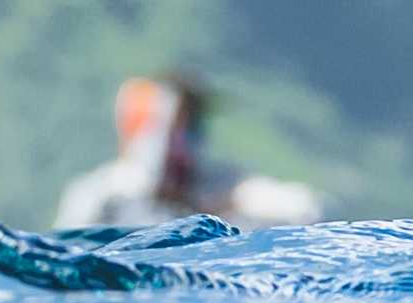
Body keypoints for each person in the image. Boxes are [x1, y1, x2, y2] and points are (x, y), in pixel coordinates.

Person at [52, 70, 325, 228]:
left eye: (193, 124)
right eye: (173, 129)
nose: (187, 142)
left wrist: (220, 207)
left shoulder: (221, 186)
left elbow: (310, 209)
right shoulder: (100, 195)